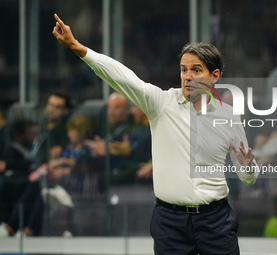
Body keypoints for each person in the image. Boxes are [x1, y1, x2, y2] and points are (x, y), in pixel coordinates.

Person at [53, 14, 259, 255]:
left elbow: (248, 178)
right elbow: (123, 78)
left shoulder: (230, 117)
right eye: (183, 69)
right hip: (170, 223)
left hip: (216, 221)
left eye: (196, 70)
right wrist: (78, 48)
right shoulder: (161, 103)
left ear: (214, 76)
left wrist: (248, 167)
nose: (187, 76)